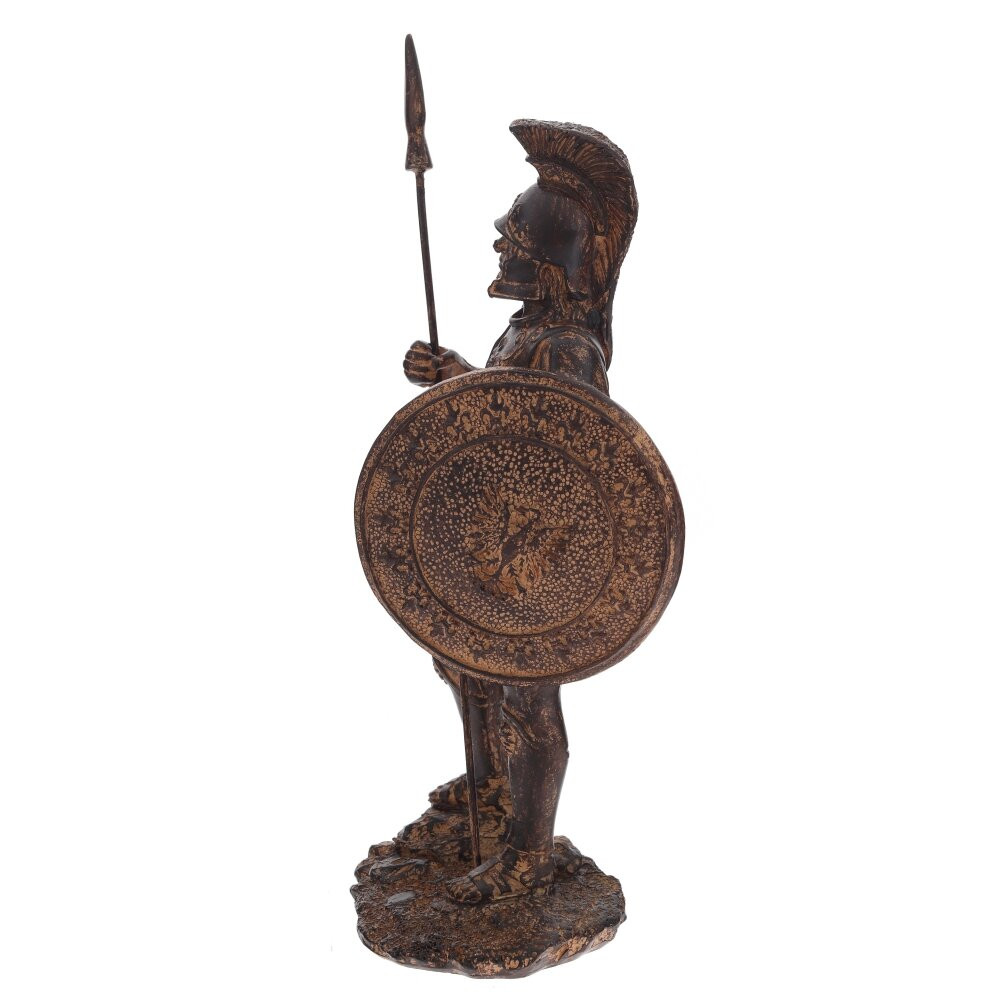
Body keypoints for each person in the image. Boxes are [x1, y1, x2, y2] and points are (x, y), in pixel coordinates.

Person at [401, 120, 638, 903]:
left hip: (534, 555)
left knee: (527, 696)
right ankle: (489, 783)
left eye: (515, 241)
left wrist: (468, 391)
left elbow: (558, 450)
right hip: (492, 537)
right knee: (463, 661)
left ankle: (528, 852)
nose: (499, 246)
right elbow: (508, 412)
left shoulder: (569, 348)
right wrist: (458, 379)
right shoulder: (528, 326)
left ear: (549, 263)